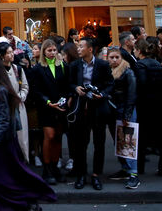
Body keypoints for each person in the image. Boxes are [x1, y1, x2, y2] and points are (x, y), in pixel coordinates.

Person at [0, 54, 56, 211]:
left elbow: (4, 121)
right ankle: (22, 206)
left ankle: (20, 205)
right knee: (4, 179)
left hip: (1, 144)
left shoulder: (1, 91)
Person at [68, 37, 113, 190]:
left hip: (98, 107)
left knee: (99, 143)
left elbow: (110, 84)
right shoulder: (74, 65)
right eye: (77, 46)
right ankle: (81, 174)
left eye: (81, 46)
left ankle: (96, 175)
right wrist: (75, 88)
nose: (78, 49)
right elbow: (69, 83)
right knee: (81, 143)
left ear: (90, 49)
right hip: (81, 107)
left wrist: (103, 94)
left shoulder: (103, 65)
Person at [28, 38, 70, 185]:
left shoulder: (62, 66)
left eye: (54, 50)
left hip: (61, 105)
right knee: (49, 136)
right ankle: (47, 169)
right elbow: (35, 90)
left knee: (58, 137)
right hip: (46, 107)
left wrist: (64, 100)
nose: (52, 53)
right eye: (49, 50)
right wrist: (47, 102)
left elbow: (67, 86)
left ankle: (55, 166)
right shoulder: (38, 69)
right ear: (43, 52)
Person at [132, 38, 162, 177]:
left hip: (145, 104)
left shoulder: (140, 65)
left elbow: (141, 84)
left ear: (138, 50)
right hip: (159, 103)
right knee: (161, 139)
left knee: (141, 138)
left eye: (135, 50)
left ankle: (140, 167)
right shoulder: (157, 63)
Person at [105, 47, 139, 189]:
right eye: (111, 57)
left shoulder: (128, 72)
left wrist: (127, 114)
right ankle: (125, 168)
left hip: (125, 109)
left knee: (128, 142)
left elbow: (132, 95)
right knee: (118, 142)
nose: (114, 60)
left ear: (122, 58)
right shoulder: (109, 72)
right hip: (114, 110)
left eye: (116, 57)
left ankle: (133, 174)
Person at [0, 42, 29, 161]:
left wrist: (20, 96)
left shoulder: (18, 69)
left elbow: (25, 86)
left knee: (21, 137)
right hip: (3, 108)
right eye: (8, 53)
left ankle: (22, 160)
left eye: (12, 52)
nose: (12, 55)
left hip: (18, 106)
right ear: (2, 55)